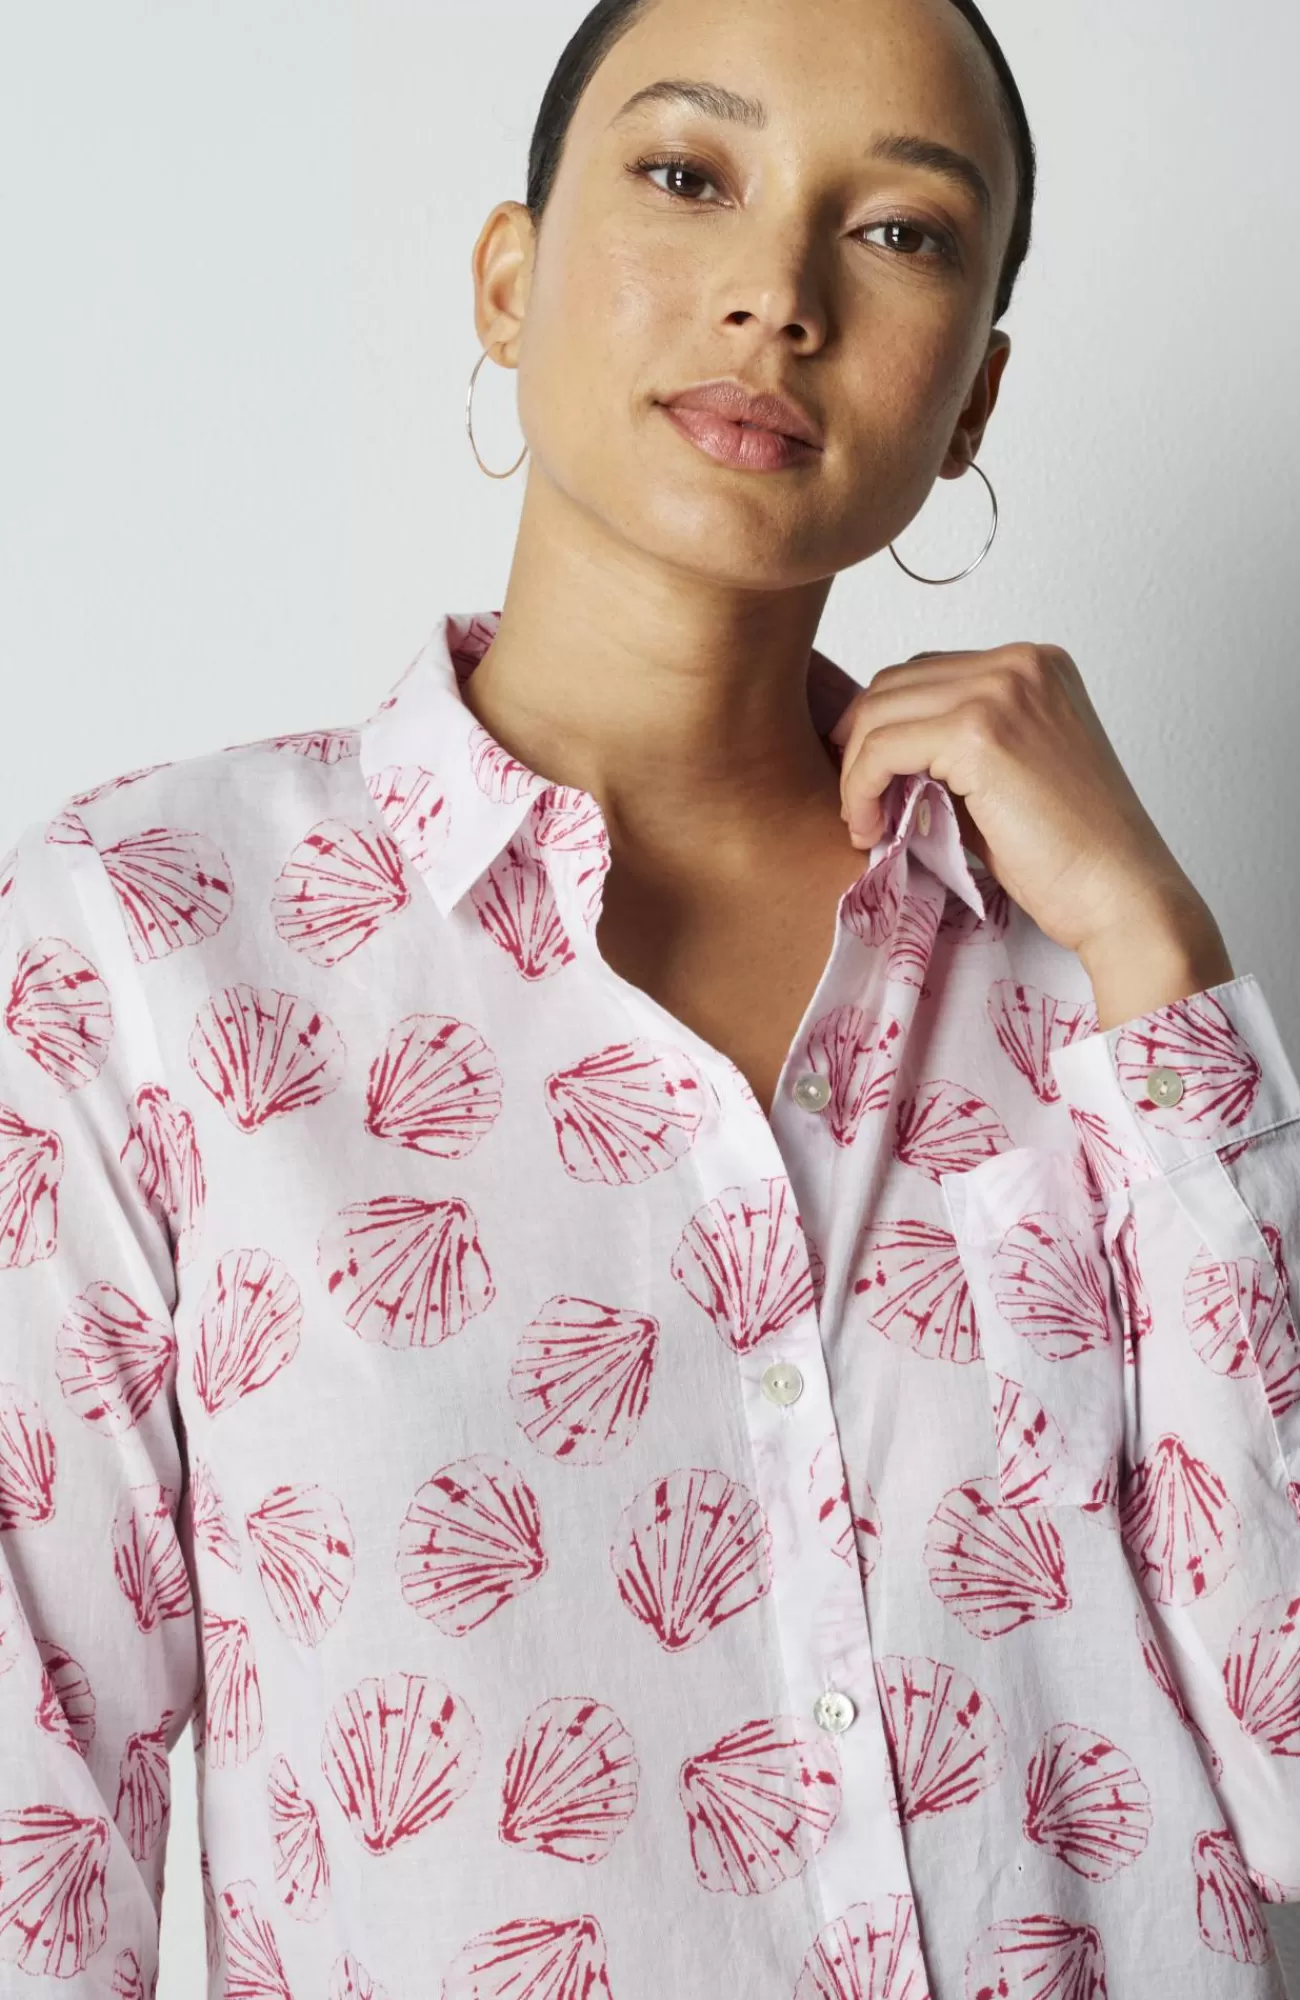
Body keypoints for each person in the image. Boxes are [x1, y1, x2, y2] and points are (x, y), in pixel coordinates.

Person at [2, 0, 1298, 1993]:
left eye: (899, 232)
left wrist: (1158, 950)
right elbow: (37, 1820)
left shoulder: (1094, 997)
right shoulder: (150, 944)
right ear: (505, 284)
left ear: (970, 397)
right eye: (688, 177)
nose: (777, 295)